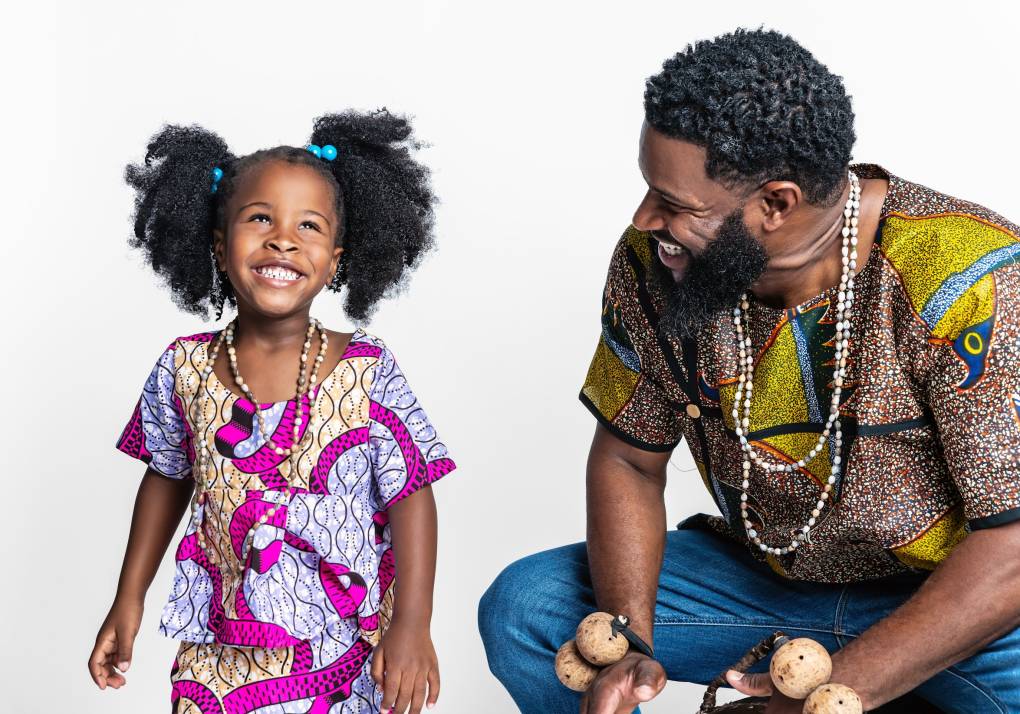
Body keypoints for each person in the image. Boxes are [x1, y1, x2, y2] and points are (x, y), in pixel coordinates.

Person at [479, 29, 1020, 714]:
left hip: (957, 599)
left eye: (677, 204)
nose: (646, 219)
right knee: (529, 609)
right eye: (649, 190)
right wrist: (630, 641)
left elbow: (1013, 549)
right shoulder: (658, 264)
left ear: (777, 204)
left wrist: (829, 692)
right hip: (761, 580)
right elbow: (628, 461)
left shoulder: (970, 279)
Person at [88, 110, 456, 714]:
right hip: (220, 645)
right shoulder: (183, 368)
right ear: (217, 241)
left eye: (308, 226)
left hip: (347, 647)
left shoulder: (367, 369)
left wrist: (412, 625)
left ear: (335, 260)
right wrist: (128, 598)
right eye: (259, 218)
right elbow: (166, 476)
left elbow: (411, 493)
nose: (283, 238)